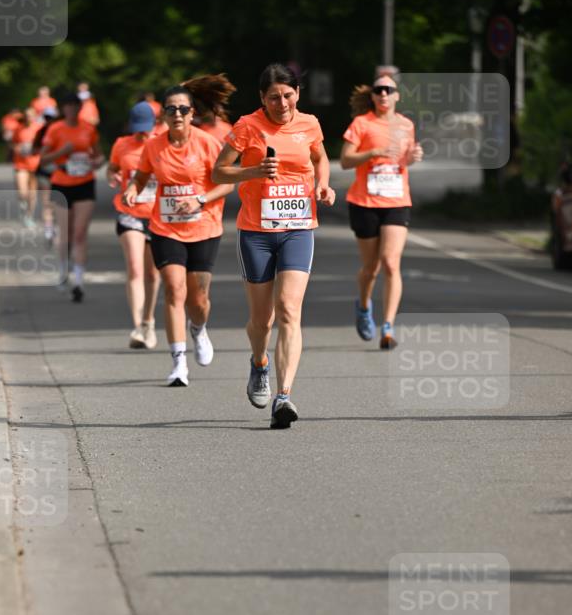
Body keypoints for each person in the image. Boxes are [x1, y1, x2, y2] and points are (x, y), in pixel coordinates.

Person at [212, 62, 335, 429]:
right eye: (273, 97)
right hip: (257, 232)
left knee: (288, 310)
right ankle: (259, 362)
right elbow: (219, 172)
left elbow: (320, 157)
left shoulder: (309, 123)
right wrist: (252, 172)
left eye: (287, 95)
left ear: (297, 93)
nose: (282, 103)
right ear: (261, 99)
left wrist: (324, 185)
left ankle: (284, 396)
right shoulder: (247, 127)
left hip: (298, 228)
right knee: (261, 320)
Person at [123, 76, 235, 387]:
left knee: (198, 300)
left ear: (192, 113)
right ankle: (178, 363)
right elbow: (141, 176)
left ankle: (198, 329)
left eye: (182, 109)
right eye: (171, 109)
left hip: (204, 227)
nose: (177, 114)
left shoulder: (208, 143)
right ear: (162, 115)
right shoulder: (153, 146)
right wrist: (133, 189)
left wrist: (199, 198)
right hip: (165, 227)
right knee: (174, 290)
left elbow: (226, 182)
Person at [340, 72, 423, 349]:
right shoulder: (362, 124)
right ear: (373, 96)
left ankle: (388, 326)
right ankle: (364, 305)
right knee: (371, 268)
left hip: (397, 201)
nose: (384, 94)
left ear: (397, 95)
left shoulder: (406, 125)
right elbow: (345, 161)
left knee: (390, 262)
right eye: (379, 91)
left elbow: (405, 159)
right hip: (365, 202)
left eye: (389, 90)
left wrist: (412, 157)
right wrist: (372, 152)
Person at [41, 91, 105, 301]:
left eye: (75, 106)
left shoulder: (88, 129)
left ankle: (78, 281)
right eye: (67, 106)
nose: (72, 110)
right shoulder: (55, 129)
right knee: (65, 233)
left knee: (79, 234)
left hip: (85, 183)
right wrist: (62, 152)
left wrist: (97, 162)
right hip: (61, 184)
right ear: (63, 109)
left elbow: (99, 155)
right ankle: (62, 270)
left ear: (79, 108)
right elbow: (42, 160)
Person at [107, 101, 161, 349]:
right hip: (129, 213)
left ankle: (148, 321)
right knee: (135, 268)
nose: (142, 133)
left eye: (146, 128)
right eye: (138, 128)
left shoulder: (163, 142)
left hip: (159, 215)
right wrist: (113, 177)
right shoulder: (121, 144)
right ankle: (138, 325)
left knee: (152, 273)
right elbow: (112, 169)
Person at [31, 106, 60, 246]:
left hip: (60, 172)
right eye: (47, 118)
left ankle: (53, 225)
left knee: (57, 203)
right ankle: (49, 228)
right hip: (44, 171)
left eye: (52, 118)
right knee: (47, 202)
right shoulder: (40, 133)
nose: (50, 121)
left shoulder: (62, 132)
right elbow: (33, 150)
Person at [11, 108, 41, 227]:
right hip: (21, 163)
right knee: (22, 191)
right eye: (27, 115)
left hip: (35, 164)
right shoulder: (19, 128)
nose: (29, 118)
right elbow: (13, 143)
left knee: (32, 192)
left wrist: (36, 149)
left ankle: (29, 216)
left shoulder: (39, 128)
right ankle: (23, 204)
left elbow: (45, 144)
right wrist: (17, 148)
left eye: (31, 115)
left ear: (34, 116)